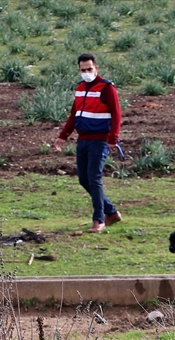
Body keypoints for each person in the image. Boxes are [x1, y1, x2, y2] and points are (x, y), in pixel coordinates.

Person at [52, 53, 122, 233]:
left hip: (100, 141)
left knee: (94, 178)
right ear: (79, 70)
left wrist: (113, 139)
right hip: (83, 139)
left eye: (89, 69)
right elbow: (74, 114)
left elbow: (116, 114)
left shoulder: (107, 88)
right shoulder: (80, 87)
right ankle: (111, 212)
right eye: (83, 70)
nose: (86, 72)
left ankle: (99, 220)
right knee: (84, 179)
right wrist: (63, 135)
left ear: (96, 68)